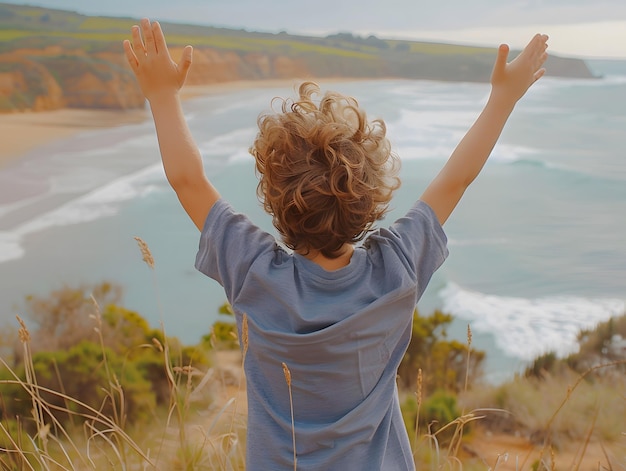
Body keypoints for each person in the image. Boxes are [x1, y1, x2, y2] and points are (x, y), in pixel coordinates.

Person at [124, 19, 548, 470]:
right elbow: (456, 180)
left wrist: (163, 95)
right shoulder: (396, 270)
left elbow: (187, 180)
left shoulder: (254, 275)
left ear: (275, 197)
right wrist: (504, 97)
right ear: (369, 201)